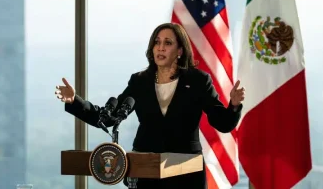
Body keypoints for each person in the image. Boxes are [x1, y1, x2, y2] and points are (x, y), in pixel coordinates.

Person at [55, 22, 245, 189]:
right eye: (157, 42)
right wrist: (74, 101)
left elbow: (222, 122)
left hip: (186, 174)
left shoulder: (197, 81)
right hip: (145, 172)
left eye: (167, 43)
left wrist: (234, 106)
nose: (160, 48)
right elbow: (107, 118)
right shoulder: (140, 81)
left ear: (180, 51)